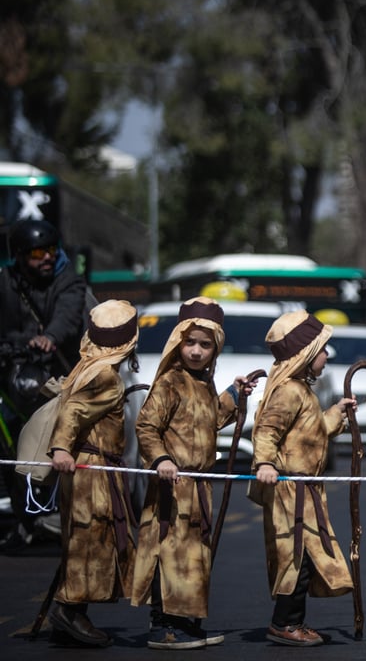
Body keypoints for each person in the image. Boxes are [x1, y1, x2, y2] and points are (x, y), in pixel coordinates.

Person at [129, 297, 259, 649]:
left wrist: (234, 394)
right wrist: (161, 460)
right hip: (172, 486)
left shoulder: (203, 383)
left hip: (198, 488)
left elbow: (210, 420)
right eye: (190, 343)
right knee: (167, 554)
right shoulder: (170, 381)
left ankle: (183, 624)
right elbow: (146, 427)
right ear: (178, 343)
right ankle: (161, 626)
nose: (197, 351)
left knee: (190, 559)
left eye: (205, 344)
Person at [252, 310, 356, 647]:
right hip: (289, 490)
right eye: (323, 350)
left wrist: (335, 414)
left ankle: (293, 620)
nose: (327, 356)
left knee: (306, 555)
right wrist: (264, 464)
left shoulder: (302, 392)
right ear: (306, 353)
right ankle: (284, 623)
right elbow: (267, 431)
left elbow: (312, 434)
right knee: (296, 555)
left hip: (306, 490)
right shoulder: (289, 392)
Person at [44, 300, 140, 647]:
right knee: (92, 541)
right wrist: (60, 449)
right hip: (93, 476)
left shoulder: (87, 366)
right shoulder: (105, 376)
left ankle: (70, 611)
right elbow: (72, 412)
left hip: (89, 472)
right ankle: (70, 611)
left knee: (83, 539)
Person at [1, 218, 87, 550]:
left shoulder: (69, 280)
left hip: (56, 371)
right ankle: (22, 515)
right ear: (20, 256)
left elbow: (67, 316)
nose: (47, 257)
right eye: (38, 252)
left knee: (60, 434)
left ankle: (62, 510)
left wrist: (50, 337)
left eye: (51, 250)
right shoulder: (5, 281)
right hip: (11, 368)